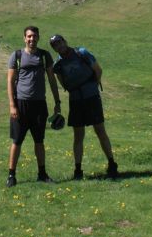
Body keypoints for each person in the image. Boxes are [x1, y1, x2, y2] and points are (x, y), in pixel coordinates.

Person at [49, 34, 118, 180]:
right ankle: (78, 170)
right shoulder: (58, 65)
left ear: (65, 41)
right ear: (54, 49)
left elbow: (98, 70)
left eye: (60, 42)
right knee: (78, 135)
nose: (59, 46)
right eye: (55, 45)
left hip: (91, 97)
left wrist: (93, 85)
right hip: (76, 101)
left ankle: (112, 164)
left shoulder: (82, 53)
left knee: (100, 130)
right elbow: (64, 85)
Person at [6, 26, 62, 187]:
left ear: (38, 38)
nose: (32, 39)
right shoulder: (16, 56)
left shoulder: (45, 56)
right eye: (29, 36)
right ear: (25, 38)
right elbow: (10, 81)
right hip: (21, 104)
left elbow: (52, 80)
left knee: (39, 141)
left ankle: (42, 174)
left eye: (34, 36)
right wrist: (12, 106)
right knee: (17, 141)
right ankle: (11, 175)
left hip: (39, 105)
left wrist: (57, 102)